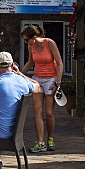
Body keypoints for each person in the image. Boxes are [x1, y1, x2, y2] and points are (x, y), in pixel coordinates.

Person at [19, 24, 63, 152]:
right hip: (38, 78)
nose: (26, 42)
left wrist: (58, 83)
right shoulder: (31, 46)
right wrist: (20, 74)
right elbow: (30, 62)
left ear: (34, 37)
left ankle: (50, 138)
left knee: (49, 113)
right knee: (37, 111)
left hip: (51, 79)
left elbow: (59, 63)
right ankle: (40, 141)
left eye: (27, 40)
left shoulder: (49, 43)